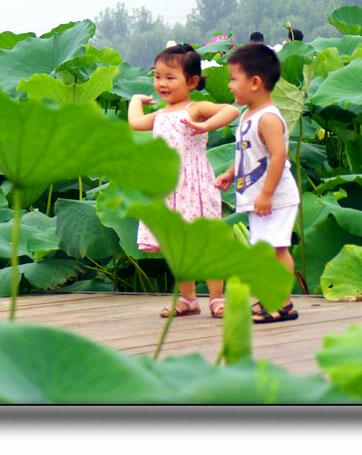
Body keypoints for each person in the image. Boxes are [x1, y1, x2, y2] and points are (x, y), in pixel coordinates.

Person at [128, 43, 240, 319]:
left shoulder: (196, 108)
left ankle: (216, 298)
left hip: (195, 185)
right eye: (157, 76)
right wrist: (135, 101)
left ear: (191, 81)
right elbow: (135, 124)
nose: (161, 83)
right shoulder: (161, 114)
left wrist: (205, 125)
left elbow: (231, 111)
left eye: (170, 77)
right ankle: (188, 299)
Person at [216, 43, 301, 323]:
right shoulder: (247, 115)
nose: (229, 85)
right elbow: (248, 153)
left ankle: (282, 303)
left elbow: (278, 156)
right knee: (266, 249)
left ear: (255, 82)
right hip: (259, 196)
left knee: (277, 249)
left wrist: (266, 193)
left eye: (232, 79)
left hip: (275, 197)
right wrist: (231, 172)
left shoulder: (268, 118)